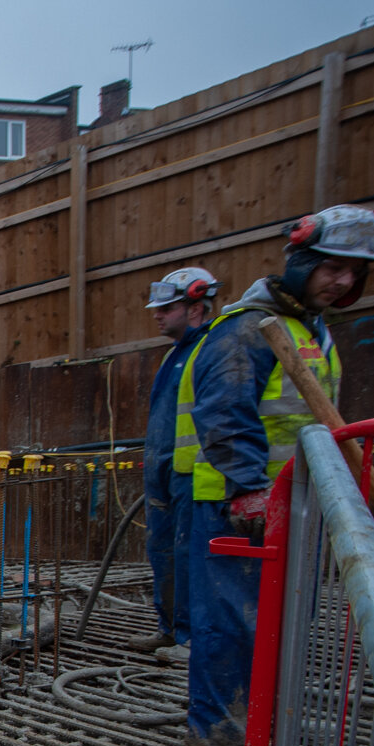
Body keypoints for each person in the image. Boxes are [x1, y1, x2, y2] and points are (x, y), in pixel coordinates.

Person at [176, 204, 374, 746]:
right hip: (237, 504)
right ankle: (219, 730)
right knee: (232, 622)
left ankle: (258, 719)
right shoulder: (249, 329)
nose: (343, 280)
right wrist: (248, 488)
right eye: (332, 267)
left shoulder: (308, 329)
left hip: (289, 500)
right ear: (301, 261)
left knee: (280, 620)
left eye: (354, 271)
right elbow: (224, 414)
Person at [132, 267, 218, 654]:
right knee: (162, 550)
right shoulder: (174, 355)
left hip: (195, 473)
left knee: (190, 555)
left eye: (167, 307)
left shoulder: (213, 350)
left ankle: (189, 636)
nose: (158, 314)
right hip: (163, 470)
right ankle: (168, 628)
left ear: (196, 306)